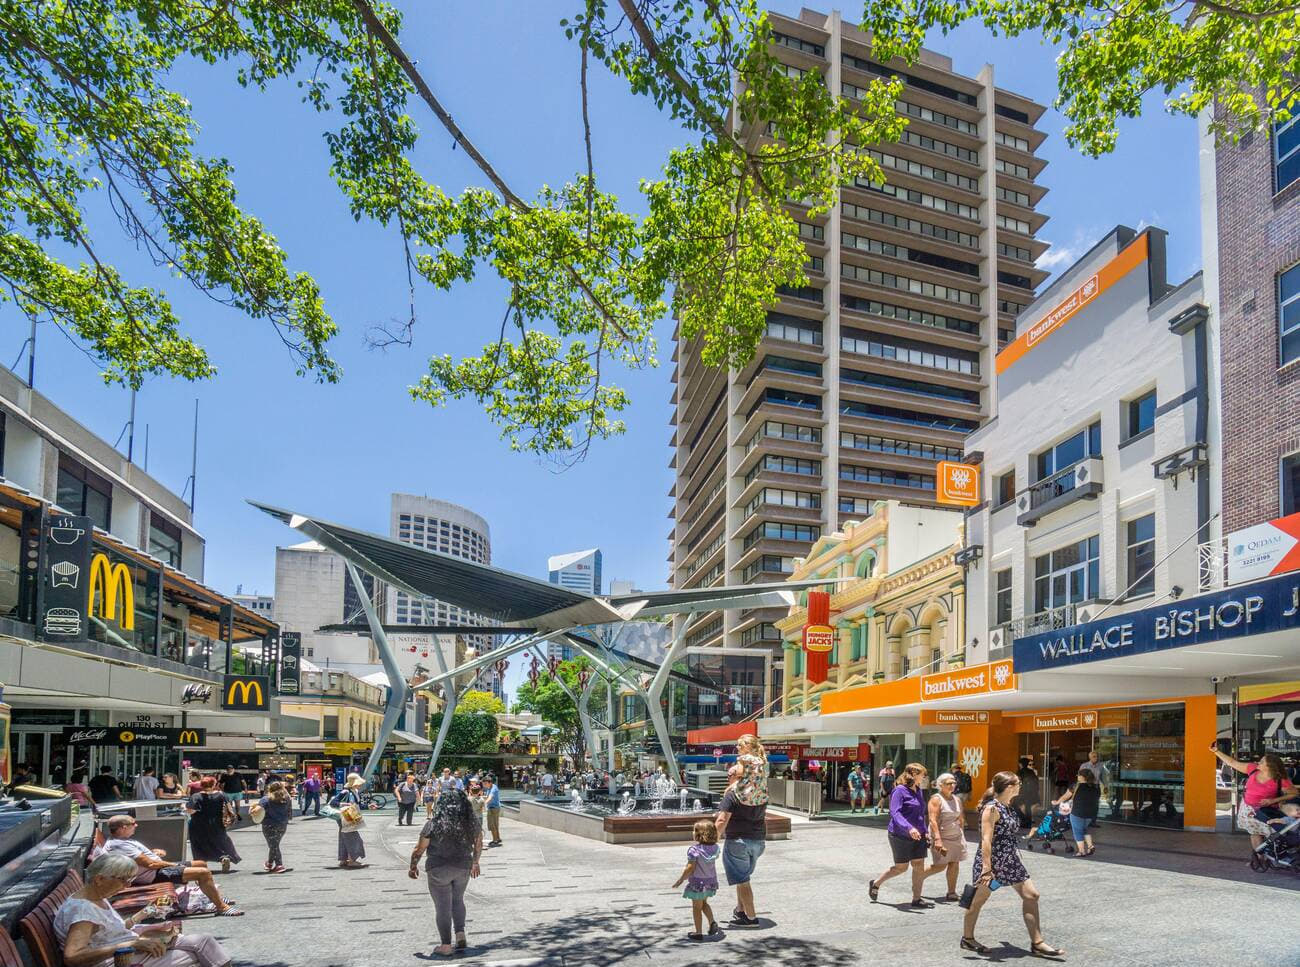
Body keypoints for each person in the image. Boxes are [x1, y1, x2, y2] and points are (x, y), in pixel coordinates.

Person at [57, 852, 234, 966]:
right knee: (199, 952)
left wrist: (142, 916)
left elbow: (108, 932)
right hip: (118, 960)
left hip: (130, 951)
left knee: (203, 942)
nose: (127, 885)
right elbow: (72, 957)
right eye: (123, 880)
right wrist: (130, 943)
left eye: (130, 880)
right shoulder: (83, 912)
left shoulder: (96, 897)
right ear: (99, 879)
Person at [960, 771, 1063, 958]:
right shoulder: (992, 809)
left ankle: (1037, 942)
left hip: (1010, 861)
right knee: (977, 901)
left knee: (1032, 895)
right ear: (1009, 787)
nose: (1020, 786)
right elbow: (985, 840)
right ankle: (967, 938)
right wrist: (986, 868)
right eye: (1017, 783)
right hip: (993, 862)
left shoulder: (1008, 806)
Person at [101, 815, 242, 916]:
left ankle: (208, 896)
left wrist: (153, 852)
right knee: (202, 873)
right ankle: (221, 907)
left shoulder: (121, 840)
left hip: (155, 869)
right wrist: (173, 864)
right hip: (151, 875)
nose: (136, 825)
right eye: (133, 823)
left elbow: (142, 857)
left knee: (201, 863)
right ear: (123, 827)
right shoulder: (118, 844)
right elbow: (150, 864)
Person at [409, 789, 482, 957]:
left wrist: (413, 866)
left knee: (442, 906)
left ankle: (446, 945)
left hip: (438, 868)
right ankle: (460, 934)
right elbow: (478, 846)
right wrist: (475, 862)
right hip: (463, 866)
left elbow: (419, 849)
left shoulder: (433, 823)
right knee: (457, 900)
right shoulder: (472, 823)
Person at [868, 763, 933, 908]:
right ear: (913, 774)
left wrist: (925, 831)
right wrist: (909, 828)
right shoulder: (899, 791)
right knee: (901, 868)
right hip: (899, 834)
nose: (924, 777)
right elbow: (895, 813)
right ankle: (876, 883)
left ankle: (916, 898)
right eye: (922, 774)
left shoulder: (918, 790)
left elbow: (920, 814)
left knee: (918, 865)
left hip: (918, 835)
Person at [1211, 746, 1298, 847]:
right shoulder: (1252, 769)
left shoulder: (1280, 779)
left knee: (1273, 834)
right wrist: (1216, 751)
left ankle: (1269, 855)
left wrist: (1273, 800)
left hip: (1265, 811)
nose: (1258, 763)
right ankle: (1258, 858)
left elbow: (1294, 793)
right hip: (1248, 809)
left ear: (1270, 766)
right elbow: (1232, 763)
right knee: (1254, 833)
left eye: (1261, 762)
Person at [715, 763, 766, 928]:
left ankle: (751, 918)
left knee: (743, 880)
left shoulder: (732, 795)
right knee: (741, 876)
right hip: (758, 841)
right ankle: (740, 910)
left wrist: (709, 841)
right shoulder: (759, 793)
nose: (727, 777)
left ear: (740, 778)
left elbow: (722, 820)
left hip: (738, 842)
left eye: (731, 774)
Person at [921, 772, 968, 902]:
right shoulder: (936, 799)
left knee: (954, 863)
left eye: (954, 783)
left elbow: (960, 817)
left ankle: (951, 892)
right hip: (942, 836)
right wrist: (937, 839)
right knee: (940, 865)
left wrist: (962, 833)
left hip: (956, 836)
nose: (952, 785)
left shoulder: (957, 799)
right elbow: (933, 820)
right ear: (940, 785)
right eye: (949, 783)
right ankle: (919, 876)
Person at [672, 818, 721, 940]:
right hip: (710, 882)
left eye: (695, 830)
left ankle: (698, 932)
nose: (693, 832)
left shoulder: (694, 850)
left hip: (698, 883)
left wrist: (681, 879)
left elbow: (690, 868)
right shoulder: (715, 848)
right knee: (704, 903)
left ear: (700, 834)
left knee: (696, 908)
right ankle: (712, 922)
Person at [185, 777, 241, 868]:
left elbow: (191, 811)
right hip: (217, 823)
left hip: (198, 824)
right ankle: (223, 857)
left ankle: (201, 863)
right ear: (214, 784)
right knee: (220, 841)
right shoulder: (221, 795)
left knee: (199, 844)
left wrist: (185, 808)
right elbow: (229, 808)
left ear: (201, 785)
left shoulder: (196, 796)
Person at [1054, 770, 1100, 856]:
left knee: (1078, 831)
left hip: (1077, 812)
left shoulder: (1076, 786)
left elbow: (1065, 797)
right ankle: (1090, 846)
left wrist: (1056, 802)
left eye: (1078, 775)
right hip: (1091, 813)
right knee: (1085, 829)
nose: (1077, 776)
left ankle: (1081, 851)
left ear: (1082, 777)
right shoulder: (1096, 787)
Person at [332, 772, 368, 869]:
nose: (360, 784)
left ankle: (343, 860)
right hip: (346, 818)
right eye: (358, 783)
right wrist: (345, 805)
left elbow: (356, 804)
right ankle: (352, 860)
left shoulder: (353, 791)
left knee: (344, 839)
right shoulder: (346, 792)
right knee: (354, 839)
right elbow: (333, 802)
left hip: (348, 818)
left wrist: (368, 806)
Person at [256, 779, 293, 874]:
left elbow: (257, 810)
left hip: (269, 825)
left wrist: (252, 811)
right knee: (274, 844)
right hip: (282, 825)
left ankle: (279, 865)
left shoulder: (266, 799)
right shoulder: (286, 798)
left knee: (273, 845)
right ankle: (269, 863)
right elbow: (289, 810)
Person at [732, 734, 769, 806]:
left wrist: (735, 773)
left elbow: (739, 773)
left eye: (740, 745)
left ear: (747, 746)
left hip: (745, 793)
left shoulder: (743, 758)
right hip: (760, 796)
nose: (737, 747)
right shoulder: (760, 759)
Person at [1013, 757, 1040, 827]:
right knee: (1028, 807)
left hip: (1023, 792)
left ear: (1021, 764)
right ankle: (1028, 823)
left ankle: (1024, 820)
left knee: (1014, 805)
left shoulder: (1020, 772)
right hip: (1031, 792)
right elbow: (1036, 781)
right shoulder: (1031, 772)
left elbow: (1017, 782)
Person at [483, 775, 502, 847]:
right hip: (494, 808)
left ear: (490, 782)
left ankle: (495, 840)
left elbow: (490, 797)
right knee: (495, 824)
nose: (484, 785)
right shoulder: (490, 788)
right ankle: (498, 838)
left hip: (493, 808)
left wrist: (484, 804)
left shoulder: (493, 788)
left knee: (492, 825)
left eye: (485, 783)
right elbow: (488, 797)